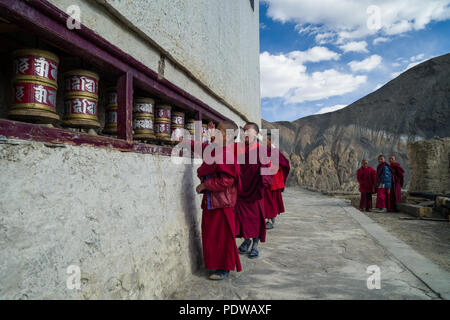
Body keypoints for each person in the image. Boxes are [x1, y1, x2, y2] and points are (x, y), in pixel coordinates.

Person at [182, 120, 242, 280]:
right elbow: (202, 148)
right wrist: (184, 141)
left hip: (222, 203)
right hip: (212, 201)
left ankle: (224, 268)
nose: (216, 131)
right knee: (212, 235)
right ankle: (217, 265)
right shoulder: (216, 149)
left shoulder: (226, 153)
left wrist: (205, 185)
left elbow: (227, 181)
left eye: (220, 130)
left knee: (223, 237)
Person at [234, 122, 272, 259]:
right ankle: (246, 240)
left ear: (256, 133)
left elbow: (267, 170)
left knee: (256, 220)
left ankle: (255, 246)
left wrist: (264, 182)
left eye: (248, 130)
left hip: (256, 191)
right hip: (241, 191)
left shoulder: (261, 150)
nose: (245, 133)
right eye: (243, 130)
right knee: (242, 218)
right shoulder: (238, 149)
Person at [263, 132, 290, 229]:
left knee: (272, 202)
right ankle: (269, 219)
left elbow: (283, 164)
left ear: (270, 141)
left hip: (273, 181)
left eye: (265, 140)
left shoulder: (274, 152)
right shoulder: (265, 151)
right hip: (266, 180)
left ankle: (271, 221)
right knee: (268, 201)